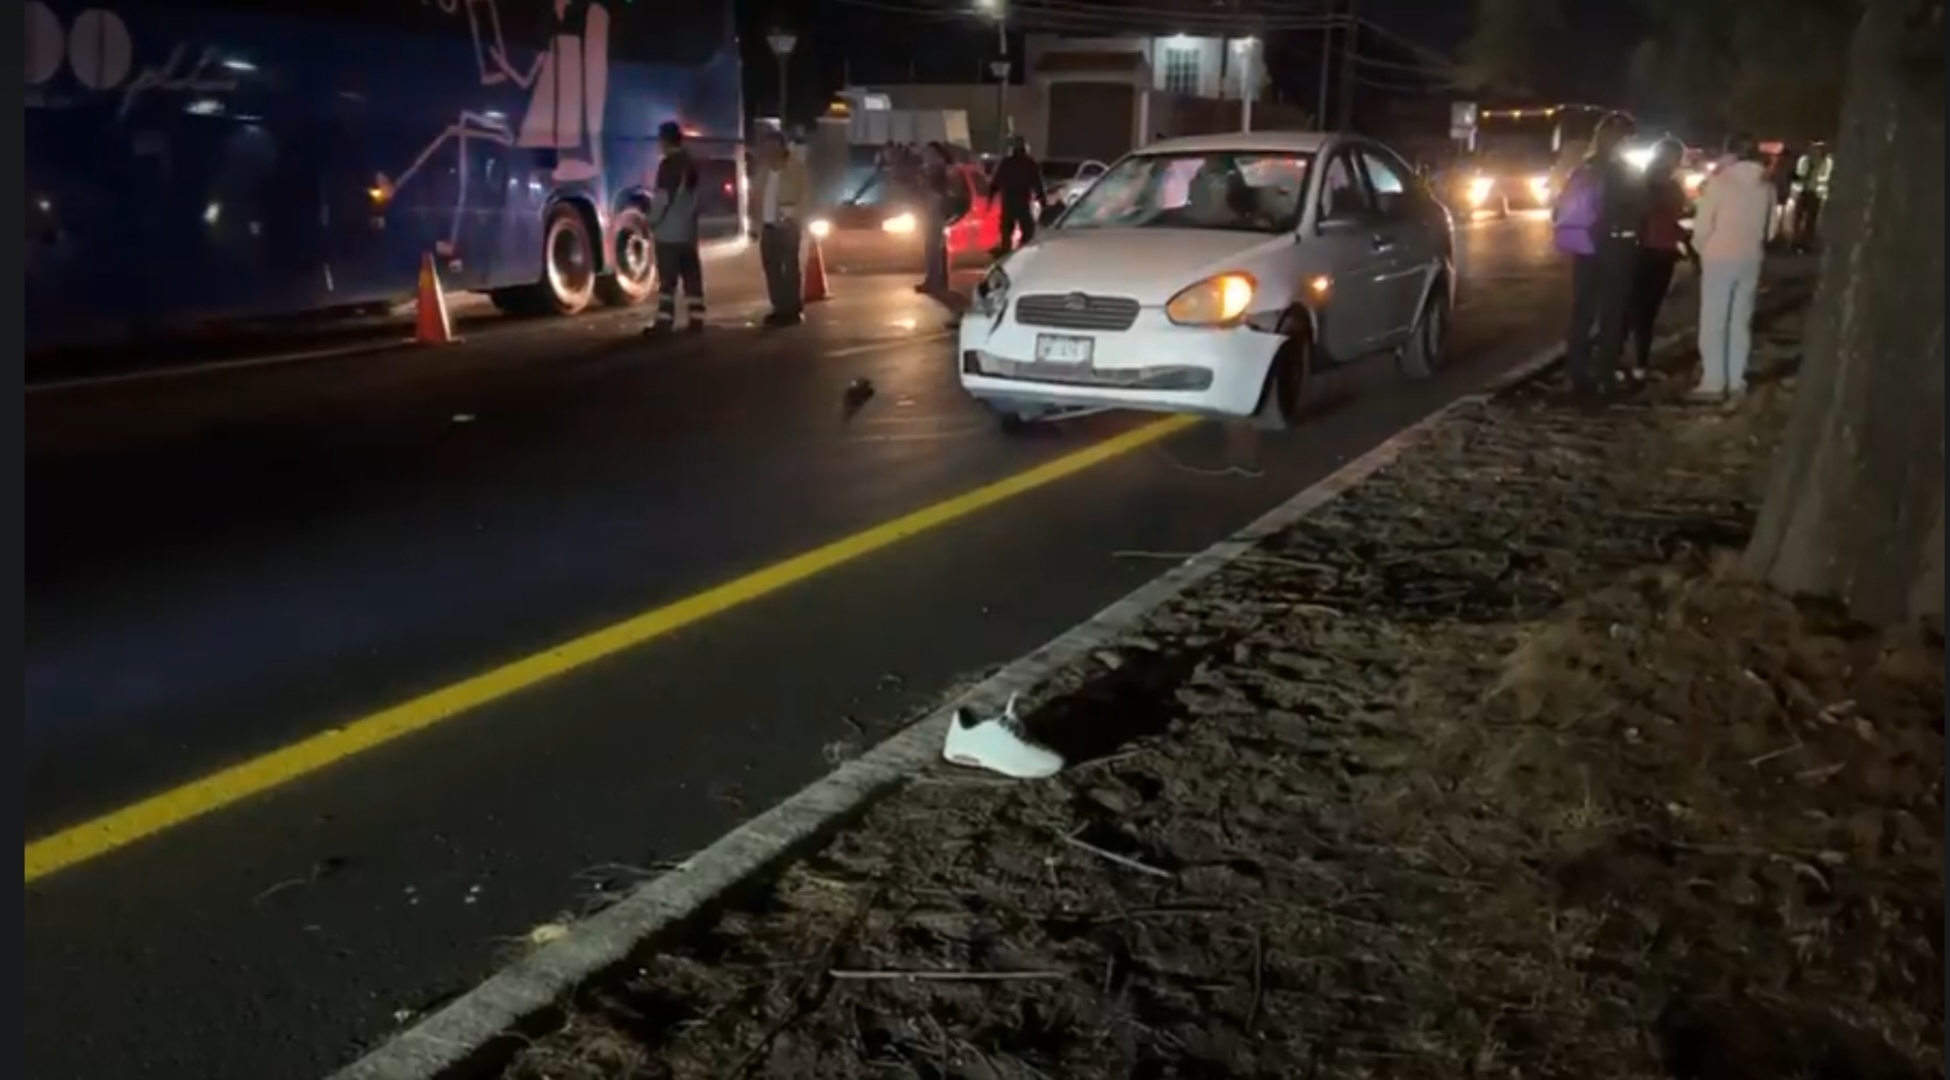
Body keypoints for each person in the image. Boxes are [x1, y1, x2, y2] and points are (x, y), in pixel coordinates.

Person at [1552, 111, 1644, 401]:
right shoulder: (1626, 171)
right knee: (1613, 314)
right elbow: (1640, 208)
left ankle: (1576, 373)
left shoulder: (1585, 168)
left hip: (1585, 247)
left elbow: (1559, 208)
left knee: (1582, 312)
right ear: (1625, 140)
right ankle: (1606, 375)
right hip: (1616, 246)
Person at [1691, 132, 1775, 401]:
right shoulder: (1766, 186)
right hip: (1751, 256)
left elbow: (1703, 226)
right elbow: (1771, 230)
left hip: (1719, 256)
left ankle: (1713, 381)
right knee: (1741, 319)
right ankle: (1736, 379)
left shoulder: (1719, 183)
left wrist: (1702, 247)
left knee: (1714, 319)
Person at [1622, 137, 1695, 385]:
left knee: (1631, 310)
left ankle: (1620, 363)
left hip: (1641, 251)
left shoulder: (1638, 182)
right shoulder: (1671, 187)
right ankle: (1639, 365)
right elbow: (1672, 221)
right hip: (1658, 253)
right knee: (1646, 313)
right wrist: (1686, 244)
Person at [643, 121, 705, 335]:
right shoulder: (690, 163)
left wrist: (650, 221)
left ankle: (664, 321)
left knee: (667, 280)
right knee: (691, 277)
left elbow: (663, 197)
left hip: (669, 232)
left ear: (665, 140)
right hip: (687, 231)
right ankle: (696, 319)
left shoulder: (669, 165)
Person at [748, 128, 811, 327]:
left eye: (771, 145)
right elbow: (755, 198)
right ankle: (779, 307)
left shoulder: (797, 169)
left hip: (788, 227)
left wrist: (793, 214)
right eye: (765, 146)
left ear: (781, 146)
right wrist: (754, 225)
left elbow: (807, 197)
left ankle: (792, 308)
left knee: (789, 269)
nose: (767, 150)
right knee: (772, 269)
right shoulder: (764, 171)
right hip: (767, 227)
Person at [987, 135, 1044, 256]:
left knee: (1007, 230)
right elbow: (1037, 183)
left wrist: (990, 197)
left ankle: (1006, 252)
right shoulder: (1029, 163)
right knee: (1027, 229)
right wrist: (1042, 199)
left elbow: (996, 183)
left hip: (1009, 201)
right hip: (1022, 201)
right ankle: (1022, 250)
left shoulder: (1007, 163)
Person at [914, 141, 955, 297]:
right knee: (937, 247)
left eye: (929, 152)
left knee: (933, 247)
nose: (926, 155)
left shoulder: (938, 170)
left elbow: (938, 193)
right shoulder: (936, 169)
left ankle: (934, 281)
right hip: (935, 212)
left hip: (935, 213)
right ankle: (939, 280)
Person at [1791, 142, 1832, 251]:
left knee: (1811, 220)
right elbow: (1798, 173)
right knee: (1797, 218)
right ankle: (1795, 240)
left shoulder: (1826, 162)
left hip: (1816, 193)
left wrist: (1818, 183)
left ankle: (1807, 242)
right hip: (1803, 191)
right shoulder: (1804, 160)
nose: (1814, 151)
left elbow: (1826, 177)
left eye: (1817, 149)